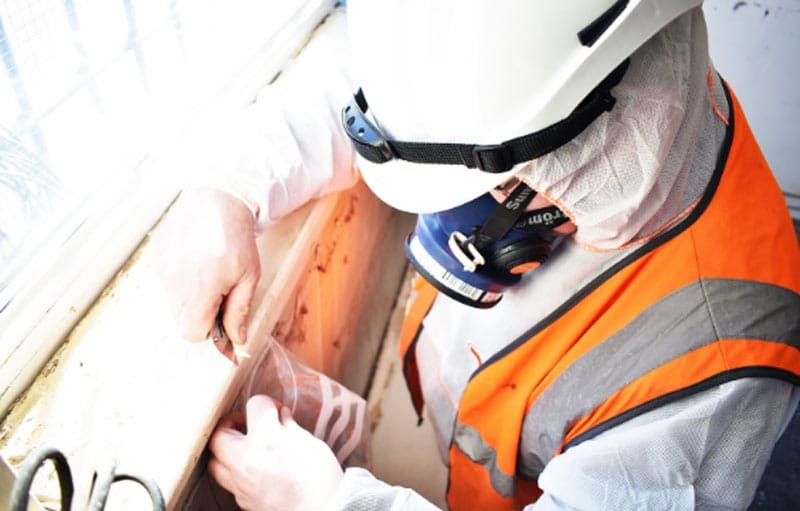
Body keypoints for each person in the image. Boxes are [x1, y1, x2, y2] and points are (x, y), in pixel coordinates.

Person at [155, 1, 800, 509]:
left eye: (490, 186)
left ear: (568, 162)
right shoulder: (548, 70)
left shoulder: (720, 377)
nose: (465, 207)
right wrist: (231, 185)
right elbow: (387, 95)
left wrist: (332, 505)